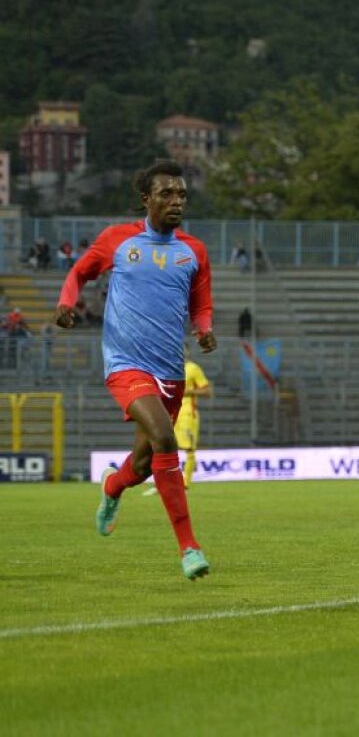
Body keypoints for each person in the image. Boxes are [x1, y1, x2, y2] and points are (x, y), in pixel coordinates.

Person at [56, 159, 216, 581]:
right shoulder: (116, 240)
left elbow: (201, 302)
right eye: (166, 193)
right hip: (126, 364)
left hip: (171, 370)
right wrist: (66, 303)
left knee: (146, 462)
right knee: (166, 438)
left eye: (181, 193)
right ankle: (189, 549)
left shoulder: (193, 250)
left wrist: (204, 330)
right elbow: (79, 273)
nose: (176, 200)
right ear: (146, 199)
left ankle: (113, 487)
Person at [143, 348, 211, 495]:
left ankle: (184, 486)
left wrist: (186, 392)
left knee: (188, 450)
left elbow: (207, 391)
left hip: (187, 414)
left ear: (186, 352)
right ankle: (160, 484)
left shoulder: (193, 368)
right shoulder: (167, 369)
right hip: (169, 413)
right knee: (161, 447)